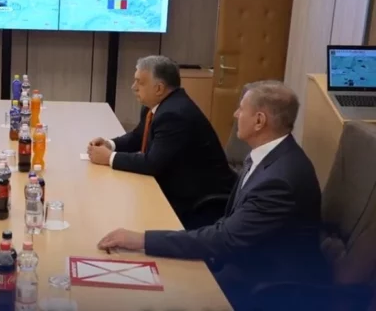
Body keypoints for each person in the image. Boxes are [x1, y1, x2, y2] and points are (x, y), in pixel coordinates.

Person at [96, 81, 327, 309]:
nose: (235, 114)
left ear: (259, 121)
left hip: (264, 285)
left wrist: (141, 240)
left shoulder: (278, 181)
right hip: (242, 261)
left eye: (241, 109)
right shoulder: (271, 155)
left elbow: (225, 239)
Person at [87, 55, 235, 228]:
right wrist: (110, 144)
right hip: (177, 187)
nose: (133, 87)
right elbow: (138, 137)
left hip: (200, 203)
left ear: (159, 88)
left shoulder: (174, 115)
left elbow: (152, 163)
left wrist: (109, 158)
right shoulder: (158, 106)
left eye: (139, 82)